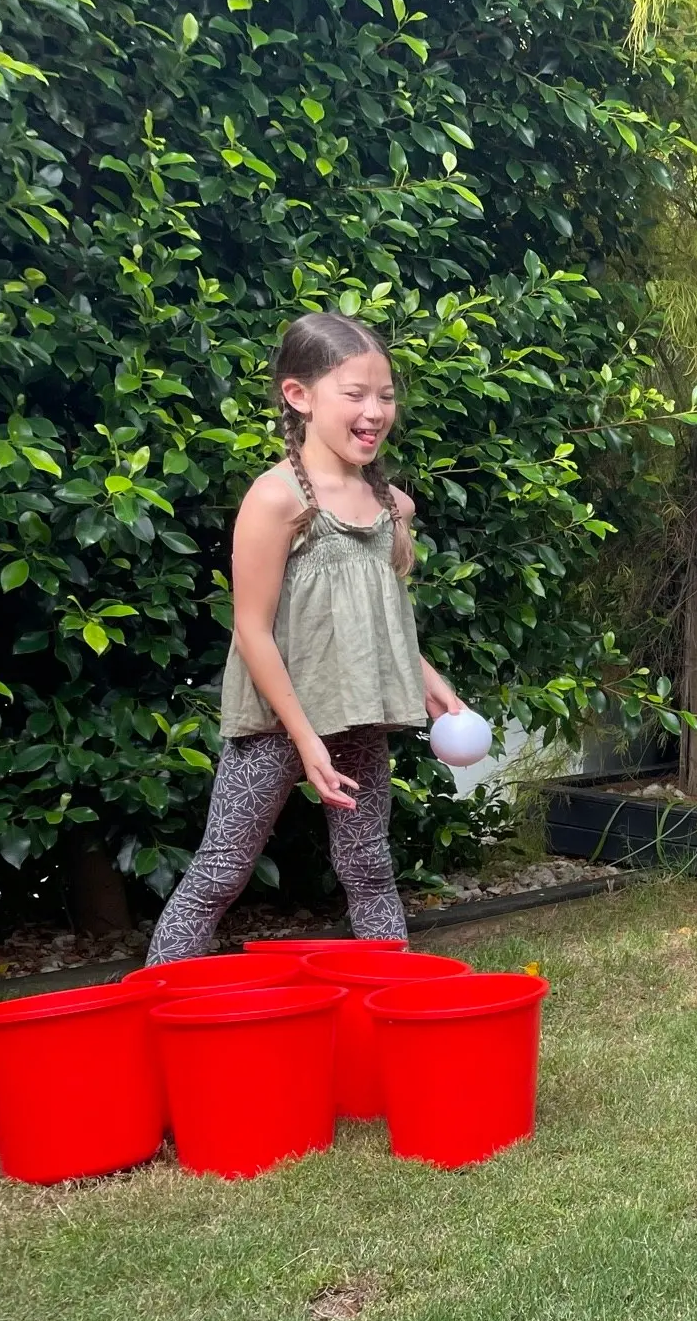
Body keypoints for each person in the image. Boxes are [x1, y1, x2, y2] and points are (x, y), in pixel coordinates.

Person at [144, 312, 466, 964]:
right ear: (299, 396)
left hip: (357, 714)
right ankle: (154, 1016)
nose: (374, 411)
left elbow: (376, 620)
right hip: (276, 719)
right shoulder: (274, 498)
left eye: (386, 395)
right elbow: (253, 631)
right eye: (355, 394)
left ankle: (393, 1018)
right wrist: (305, 739)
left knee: (370, 870)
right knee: (220, 874)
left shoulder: (391, 506)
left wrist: (434, 685)